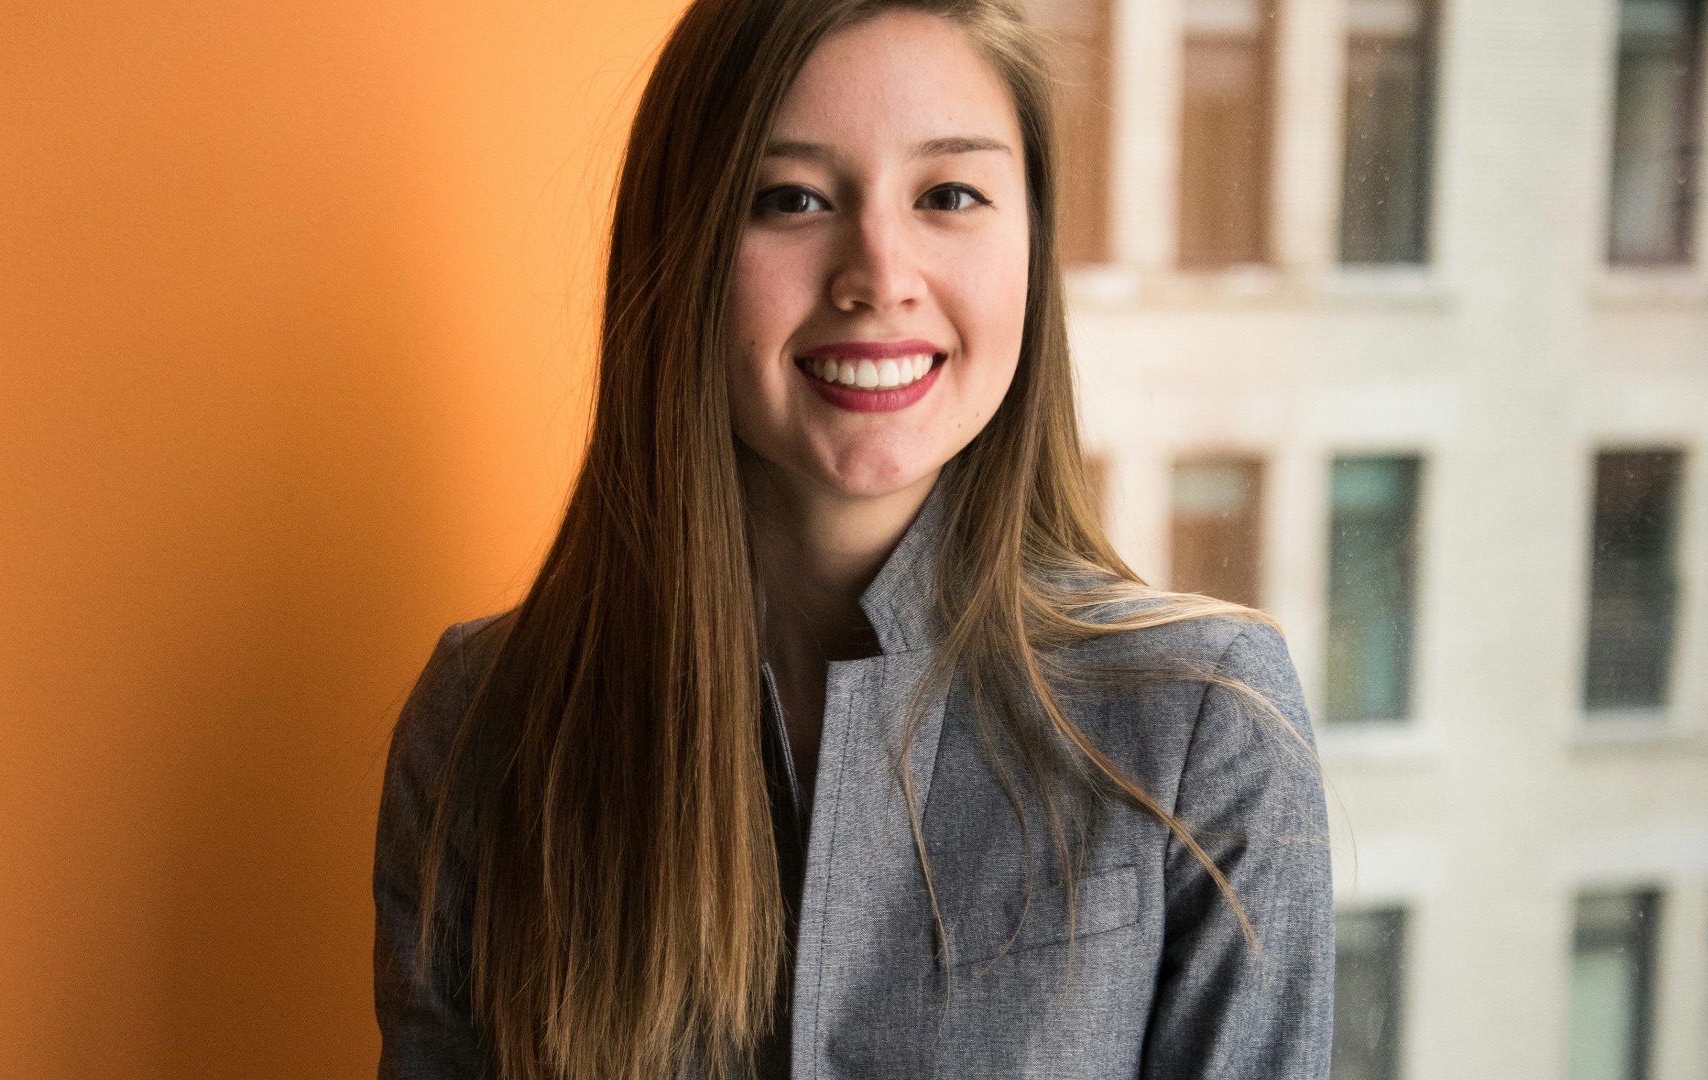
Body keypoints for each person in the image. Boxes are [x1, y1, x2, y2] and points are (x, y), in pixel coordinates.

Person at [373, 0, 1333, 1076]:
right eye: (791, 199)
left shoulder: (1209, 719)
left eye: (949, 195)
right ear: (679, 250)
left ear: (1032, 245)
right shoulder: (484, 723)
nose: (878, 273)